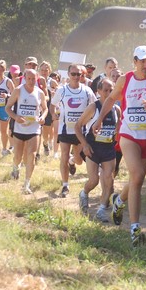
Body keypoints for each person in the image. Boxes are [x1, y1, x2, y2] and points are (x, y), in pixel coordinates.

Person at [93, 45, 146, 246]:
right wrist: (99, 119)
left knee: (136, 180)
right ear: (135, 61)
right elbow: (111, 99)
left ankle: (119, 201)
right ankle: (135, 229)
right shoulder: (125, 79)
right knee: (138, 175)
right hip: (129, 134)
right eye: (143, 61)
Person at [75, 78, 121, 223]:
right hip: (93, 148)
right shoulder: (93, 107)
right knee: (94, 180)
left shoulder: (116, 109)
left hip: (108, 149)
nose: (108, 93)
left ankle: (101, 210)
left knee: (109, 180)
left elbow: (117, 129)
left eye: (111, 90)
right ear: (99, 91)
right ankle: (84, 193)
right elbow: (77, 126)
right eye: (105, 90)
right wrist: (84, 145)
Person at [51, 64, 96, 197]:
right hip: (65, 129)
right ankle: (65, 185)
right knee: (64, 155)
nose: (77, 77)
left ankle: (72, 161)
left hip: (80, 131)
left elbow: (95, 106)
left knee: (79, 160)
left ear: (83, 76)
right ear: (68, 75)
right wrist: (53, 115)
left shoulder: (87, 91)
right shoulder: (62, 90)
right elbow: (53, 104)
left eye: (80, 75)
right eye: (74, 74)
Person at [5, 69, 47, 194]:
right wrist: (15, 117)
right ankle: (15, 167)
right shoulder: (18, 90)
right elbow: (8, 108)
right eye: (28, 78)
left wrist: (42, 118)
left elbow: (45, 109)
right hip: (19, 128)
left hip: (34, 129)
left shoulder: (40, 93)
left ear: (37, 79)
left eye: (33, 79)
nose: (31, 81)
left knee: (32, 155)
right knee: (18, 156)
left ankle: (27, 184)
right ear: (24, 78)